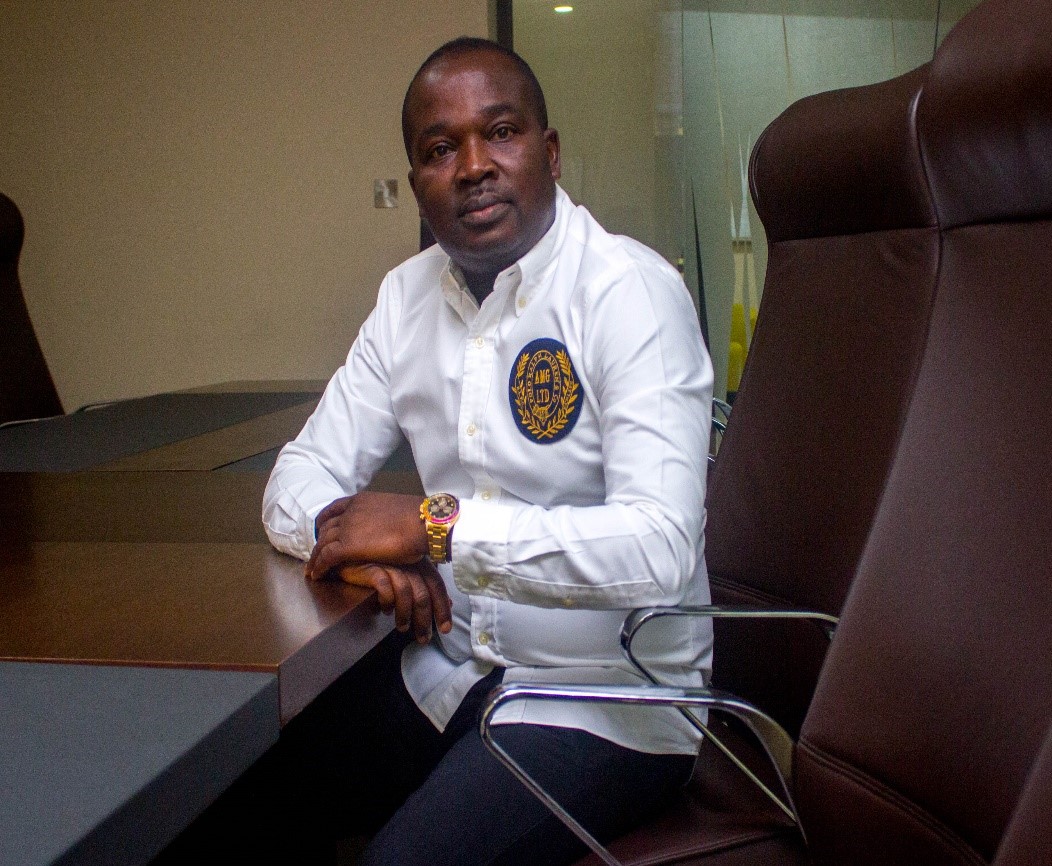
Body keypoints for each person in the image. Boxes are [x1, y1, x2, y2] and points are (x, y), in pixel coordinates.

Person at [262, 36, 715, 866]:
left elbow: (658, 549)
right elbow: (297, 478)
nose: (473, 166)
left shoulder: (629, 292)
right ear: (417, 183)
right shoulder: (404, 300)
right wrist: (354, 554)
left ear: (549, 152)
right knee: (232, 796)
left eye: (500, 133)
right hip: (449, 669)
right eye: (441, 149)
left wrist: (435, 529)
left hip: (606, 705)